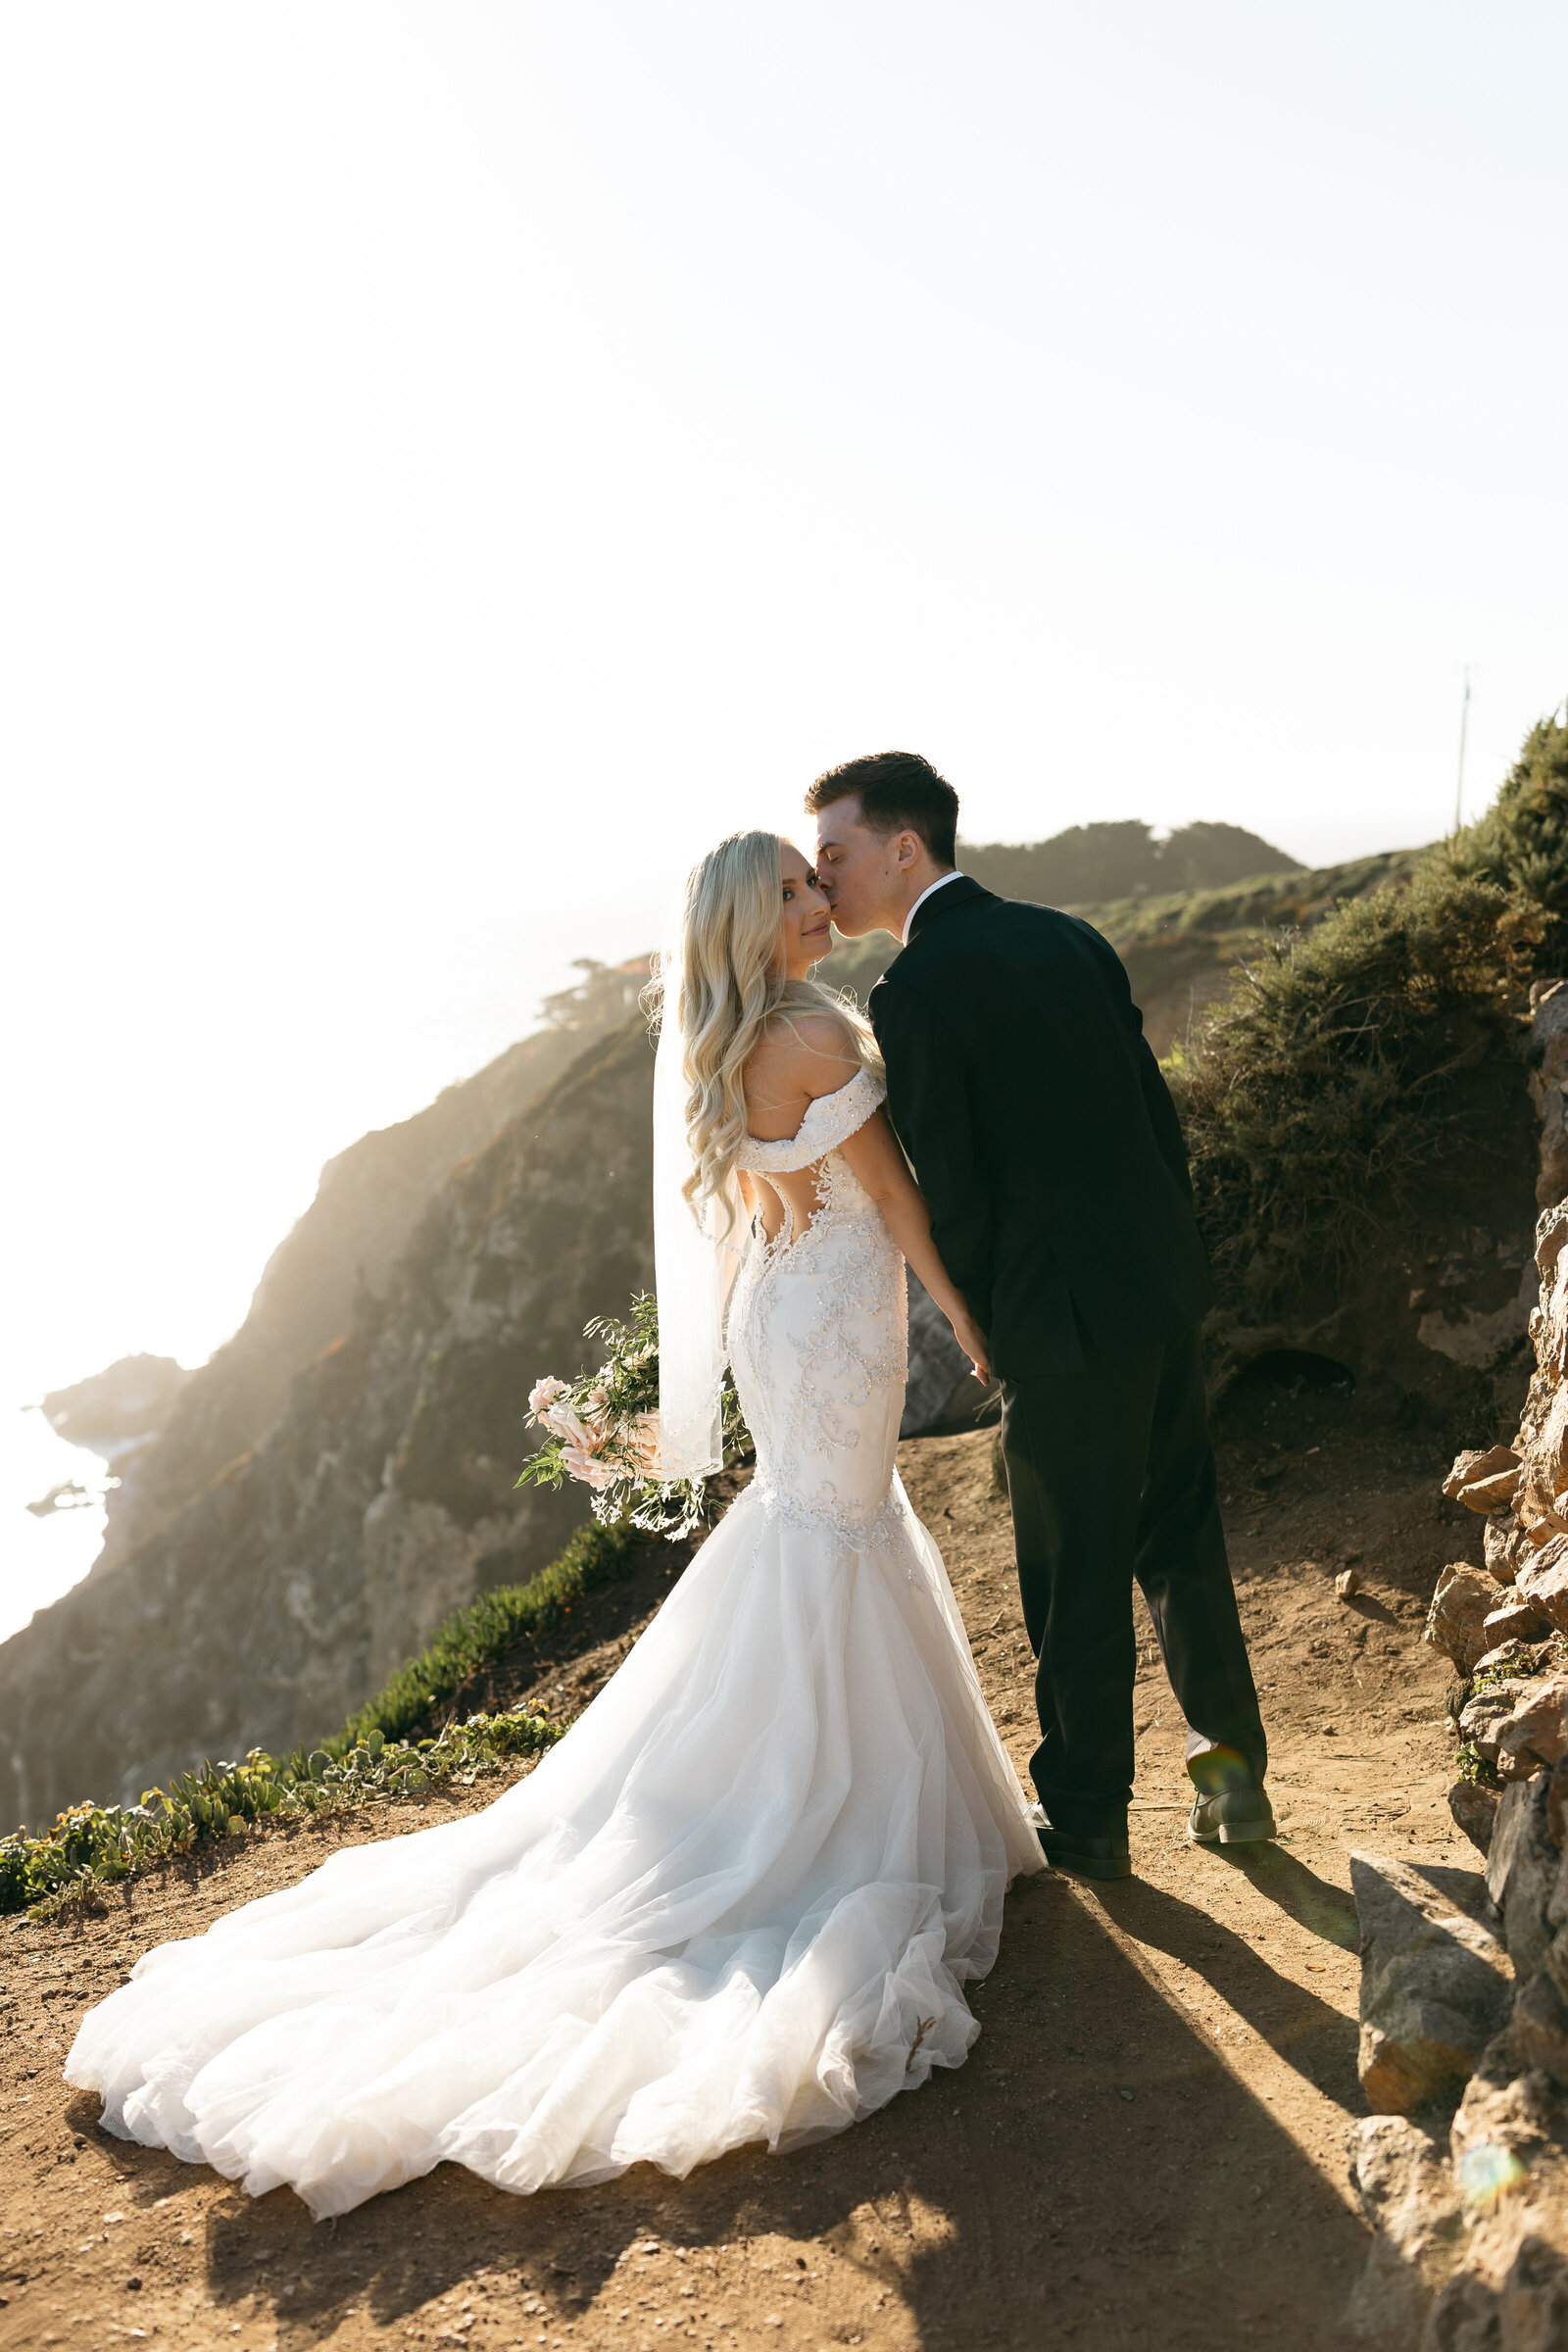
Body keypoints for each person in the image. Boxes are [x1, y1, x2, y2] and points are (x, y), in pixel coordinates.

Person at [65, 829, 1041, 2218]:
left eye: (818, 882)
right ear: (748, 923)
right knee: (838, 1531)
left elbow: (756, 1220)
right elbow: (890, 1190)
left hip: (786, 1313)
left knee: (818, 1528)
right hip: (840, 1322)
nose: (820, 903)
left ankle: (804, 1783)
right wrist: (963, 1311)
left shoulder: (722, 1042)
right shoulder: (819, 1030)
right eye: (794, 891)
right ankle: (825, 1813)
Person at [809, 750, 1271, 1882]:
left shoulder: (914, 991)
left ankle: (1087, 1812)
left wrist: (974, 1316)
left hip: (1055, 1327)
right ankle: (1233, 1784)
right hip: (1158, 1289)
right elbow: (1152, 1114)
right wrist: (1176, 1262)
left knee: (1071, 1574)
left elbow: (953, 1189)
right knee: (1181, 1542)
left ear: (902, 847)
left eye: (836, 853)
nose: (823, 880)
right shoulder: (1069, 936)